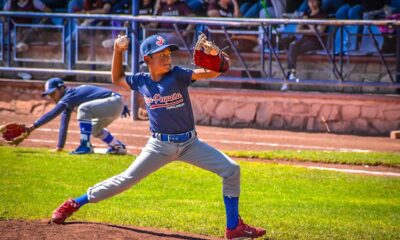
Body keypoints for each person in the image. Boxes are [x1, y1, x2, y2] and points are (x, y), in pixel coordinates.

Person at [50, 34, 267, 240]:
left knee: (231, 170)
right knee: (126, 180)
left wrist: (215, 55)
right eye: (161, 55)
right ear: (148, 59)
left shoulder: (179, 75)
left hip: (190, 144)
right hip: (159, 146)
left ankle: (233, 228)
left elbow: (213, 72)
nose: (167, 58)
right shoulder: (142, 80)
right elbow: (117, 78)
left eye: (169, 54)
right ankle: (75, 203)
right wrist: (118, 51)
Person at [25, 77, 128, 154]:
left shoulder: (69, 95)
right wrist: (59, 147)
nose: (52, 97)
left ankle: (85, 146)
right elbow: (63, 125)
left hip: (113, 102)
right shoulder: (69, 100)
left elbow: (53, 113)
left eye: (53, 93)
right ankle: (118, 147)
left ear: (61, 88)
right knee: (94, 130)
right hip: (114, 103)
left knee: (83, 109)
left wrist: (32, 127)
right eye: (49, 95)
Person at [280, 0, 327, 91]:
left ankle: (288, 78)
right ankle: (291, 74)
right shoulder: (306, 14)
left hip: (316, 42)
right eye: (310, 2)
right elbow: (298, 30)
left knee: (293, 47)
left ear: (318, 2)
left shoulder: (323, 15)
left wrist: (308, 22)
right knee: (292, 46)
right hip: (304, 40)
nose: (312, 4)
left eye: (314, 2)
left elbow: (318, 32)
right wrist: (310, 29)